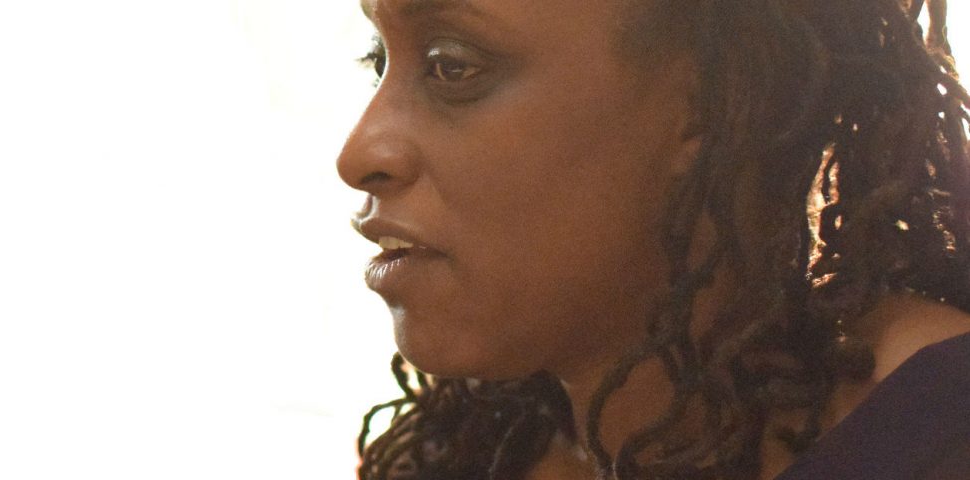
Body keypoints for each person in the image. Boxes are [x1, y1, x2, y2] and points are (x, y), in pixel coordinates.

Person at [338, 0, 970, 478]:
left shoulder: (939, 430)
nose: (358, 155)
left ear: (712, 100)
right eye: (378, 61)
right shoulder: (474, 444)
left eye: (451, 66)